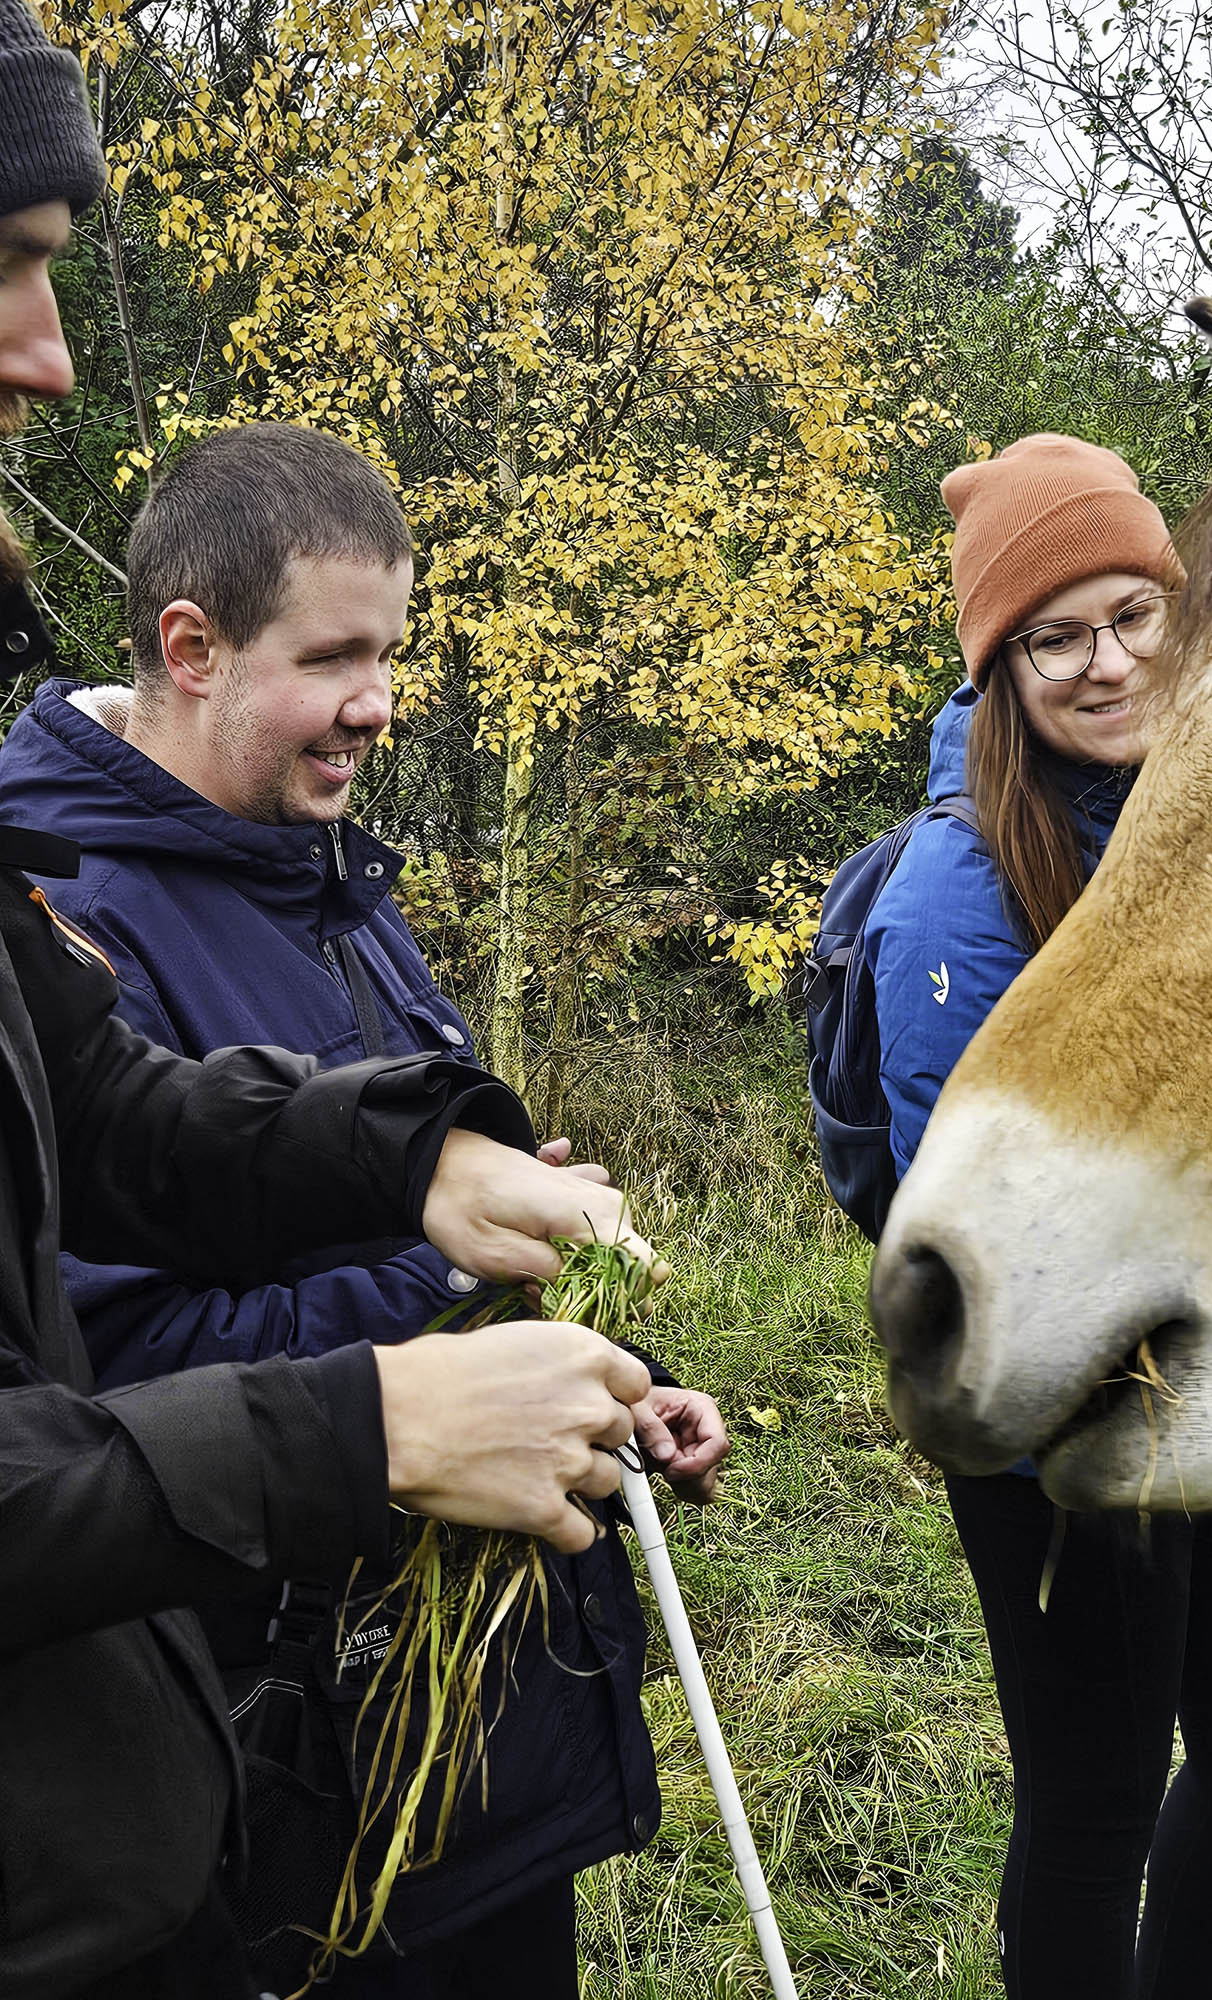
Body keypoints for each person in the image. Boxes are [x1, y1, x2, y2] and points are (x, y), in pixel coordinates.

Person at [0, 12, 672, 1995]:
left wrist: (421, 1163)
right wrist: (383, 1410)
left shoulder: (332, 878)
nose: (45, 350)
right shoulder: (84, 872)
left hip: (192, 1808)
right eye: (5, 264)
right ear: (191, 651)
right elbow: (103, 1364)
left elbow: (103, 1114)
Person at [860, 434, 1212, 2000]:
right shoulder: (954, 901)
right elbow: (995, 1261)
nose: (1110, 662)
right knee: (1095, 1798)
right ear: (1002, 666)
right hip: (1051, 1406)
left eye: (1137, 613)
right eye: (1058, 635)